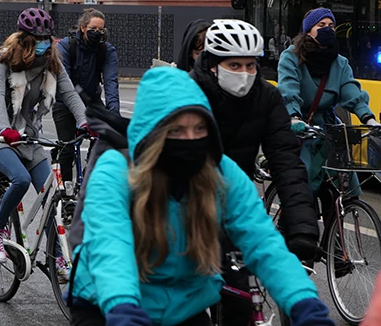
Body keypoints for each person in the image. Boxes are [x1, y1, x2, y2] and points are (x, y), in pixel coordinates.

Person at [69, 66, 334, 326]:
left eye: (199, 128)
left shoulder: (222, 173)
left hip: (184, 308)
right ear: (152, 134)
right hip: (107, 304)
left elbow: (263, 242)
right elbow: (111, 243)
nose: (190, 139)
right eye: (176, 130)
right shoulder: (115, 169)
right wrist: (122, 303)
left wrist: (304, 302)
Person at [189, 19, 319, 326]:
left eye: (251, 65)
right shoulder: (188, 93)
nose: (245, 74)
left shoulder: (267, 97)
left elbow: (286, 162)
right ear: (212, 65)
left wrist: (302, 227)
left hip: (236, 205)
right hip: (187, 206)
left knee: (238, 303)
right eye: (235, 65)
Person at [0, 7, 86, 279]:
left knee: (51, 196)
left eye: (47, 39)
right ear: (23, 39)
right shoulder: (3, 61)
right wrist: (4, 128)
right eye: (37, 40)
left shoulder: (52, 63)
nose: (43, 44)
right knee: (20, 179)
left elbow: (70, 94)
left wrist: (85, 121)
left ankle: (59, 257)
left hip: (28, 136)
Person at [277, 8, 377, 197]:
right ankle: (287, 222)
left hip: (328, 128)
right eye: (321, 25)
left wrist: (368, 118)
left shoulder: (340, 62)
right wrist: (294, 117)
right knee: (300, 183)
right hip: (300, 126)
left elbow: (351, 91)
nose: (327, 30)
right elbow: (288, 88)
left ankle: (340, 218)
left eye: (331, 26)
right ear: (308, 31)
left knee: (346, 184)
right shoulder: (291, 57)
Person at [53, 8, 118, 183]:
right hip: (65, 102)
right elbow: (64, 83)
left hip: (91, 100)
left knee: (105, 135)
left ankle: (91, 173)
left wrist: (114, 114)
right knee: (67, 148)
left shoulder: (107, 50)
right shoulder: (66, 46)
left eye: (101, 30)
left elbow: (111, 82)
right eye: (93, 29)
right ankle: (65, 191)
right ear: (82, 27)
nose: (97, 33)